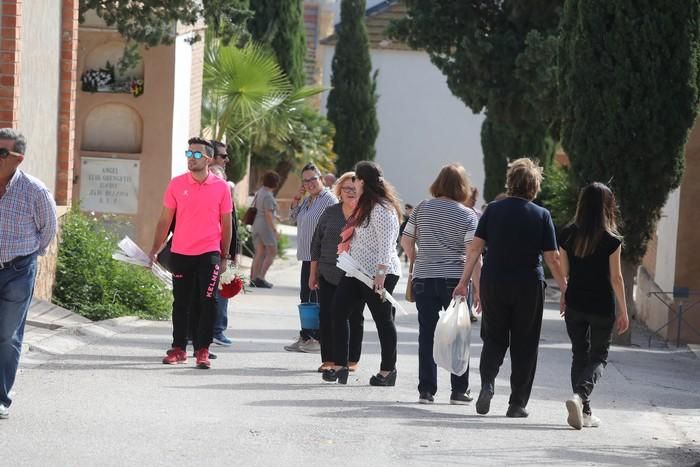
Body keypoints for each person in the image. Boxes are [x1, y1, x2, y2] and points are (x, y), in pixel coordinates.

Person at [453, 158, 567, 418]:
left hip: (495, 281)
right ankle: (517, 403)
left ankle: (488, 383)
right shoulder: (541, 215)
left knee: (493, 337)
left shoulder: (492, 210)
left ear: (510, 182)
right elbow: (553, 258)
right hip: (528, 284)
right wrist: (564, 287)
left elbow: (475, 248)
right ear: (534, 186)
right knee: (525, 343)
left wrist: (464, 282)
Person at [150, 137, 232, 370]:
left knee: (208, 300)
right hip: (181, 252)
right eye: (189, 154)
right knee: (181, 302)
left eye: (196, 155)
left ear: (207, 159)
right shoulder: (176, 184)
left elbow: (227, 224)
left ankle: (202, 349)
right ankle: (178, 348)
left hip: (209, 253)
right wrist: (154, 249)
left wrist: (224, 256)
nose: (191, 158)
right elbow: (165, 219)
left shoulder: (221, 187)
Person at [401, 164, 480, 405]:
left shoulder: (422, 208)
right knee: (458, 335)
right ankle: (459, 390)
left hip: (424, 277)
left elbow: (406, 242)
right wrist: (476, 286)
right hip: (454, 281)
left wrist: (418, 259)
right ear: (462, 187)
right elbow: (474, 254)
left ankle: (426, 389)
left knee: (426, 333)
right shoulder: (467, 215)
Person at [323, 161, 402, 386]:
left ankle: (388, 371)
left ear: (363, 182)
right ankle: (340, 366)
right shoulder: (364, 205)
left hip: (379, 274)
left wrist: (380, 276)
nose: (353, 183)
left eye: (356, 179)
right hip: (356, 272)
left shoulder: (382, 209)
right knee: (337, 311)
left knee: (383, 321)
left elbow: (387, 246)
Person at [559, 182, 629, 430]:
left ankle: (584, 411)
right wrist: (624, 310)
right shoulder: (611, 239)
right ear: (607, 207)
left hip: (575, 303)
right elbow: (616, 278)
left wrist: (564, 294)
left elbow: (564, 272)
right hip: (601, 306)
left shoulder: (567, 234)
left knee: (579, 353)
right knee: (598, 357)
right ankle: (580, 398)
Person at [0, 129, 58, 419]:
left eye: (1, 153)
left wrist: (30, 256)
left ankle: (1, 398)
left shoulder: (34, 191)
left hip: (18, 270)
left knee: (7, 335)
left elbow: (48, 230)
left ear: (18, 159)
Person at [309, 172, 364, 372]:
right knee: (327, 316)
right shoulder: (330, 212)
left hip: (356, 274)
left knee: (354, 316)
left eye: (355, 189)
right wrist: (312, 274)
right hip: (328, 271)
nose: (351, 192)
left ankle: (351, 359)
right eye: (346, 188)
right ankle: (329, 359)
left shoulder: (366, 214)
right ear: (339, 191)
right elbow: (316, 243)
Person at [285, 163, 338, 353]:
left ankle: (316, 338)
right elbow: (292, 218)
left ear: (321, 178)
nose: (309, 183)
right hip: (307, 256)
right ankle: (306, 335)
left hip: (321, 258)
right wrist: (297, 198)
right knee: (306, 297)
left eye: (313, 179)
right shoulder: (309, 201)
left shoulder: (329, 200)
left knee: (316, 298)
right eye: (305, 181)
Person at [209, 140, 239, 346]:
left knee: (223, 289)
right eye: (222, 155)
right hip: (207, 249)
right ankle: (206, 331)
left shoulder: (226, 184)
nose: (227, 159)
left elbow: (233, 223)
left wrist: (233, 251)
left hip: (224, 250)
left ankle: (217, 330)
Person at [249, 171, 281, 288]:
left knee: (259, 252)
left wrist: (274, 216)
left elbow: (262, 210)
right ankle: (260, 278)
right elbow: (267, 214)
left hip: (256, 224)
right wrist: (274, 230)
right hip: (265, 226)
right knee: (272, 252)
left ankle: (253, 278)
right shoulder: (268, 195)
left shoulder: (260, 192)